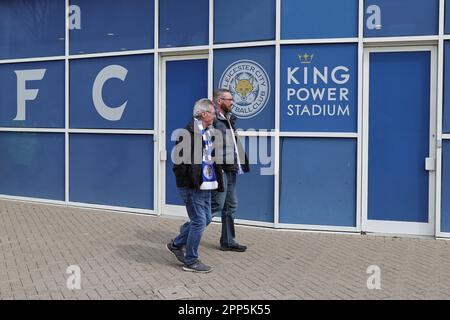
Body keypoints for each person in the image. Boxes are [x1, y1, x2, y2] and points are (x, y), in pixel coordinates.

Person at [166, 98, 223, 273]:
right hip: (193, 186)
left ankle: (176, 244)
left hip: (206, 184)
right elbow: (179, 164)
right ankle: (190, 260)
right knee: (199, 221)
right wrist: (192, 182)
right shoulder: (187, 134)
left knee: (206, 218)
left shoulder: (208, 133)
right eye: (213, 113)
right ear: (203, 114)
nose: (215, 116)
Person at [211, 89, 249, 252]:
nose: (232, 102)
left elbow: (232, 144)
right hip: (220, 169)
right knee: (216, 204)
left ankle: (227, 241)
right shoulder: (212, 119)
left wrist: (240, 162)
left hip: (231, 167)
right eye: (229, 99)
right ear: (219, 101)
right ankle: (186, 233)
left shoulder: (228, 119)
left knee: (230, 205)